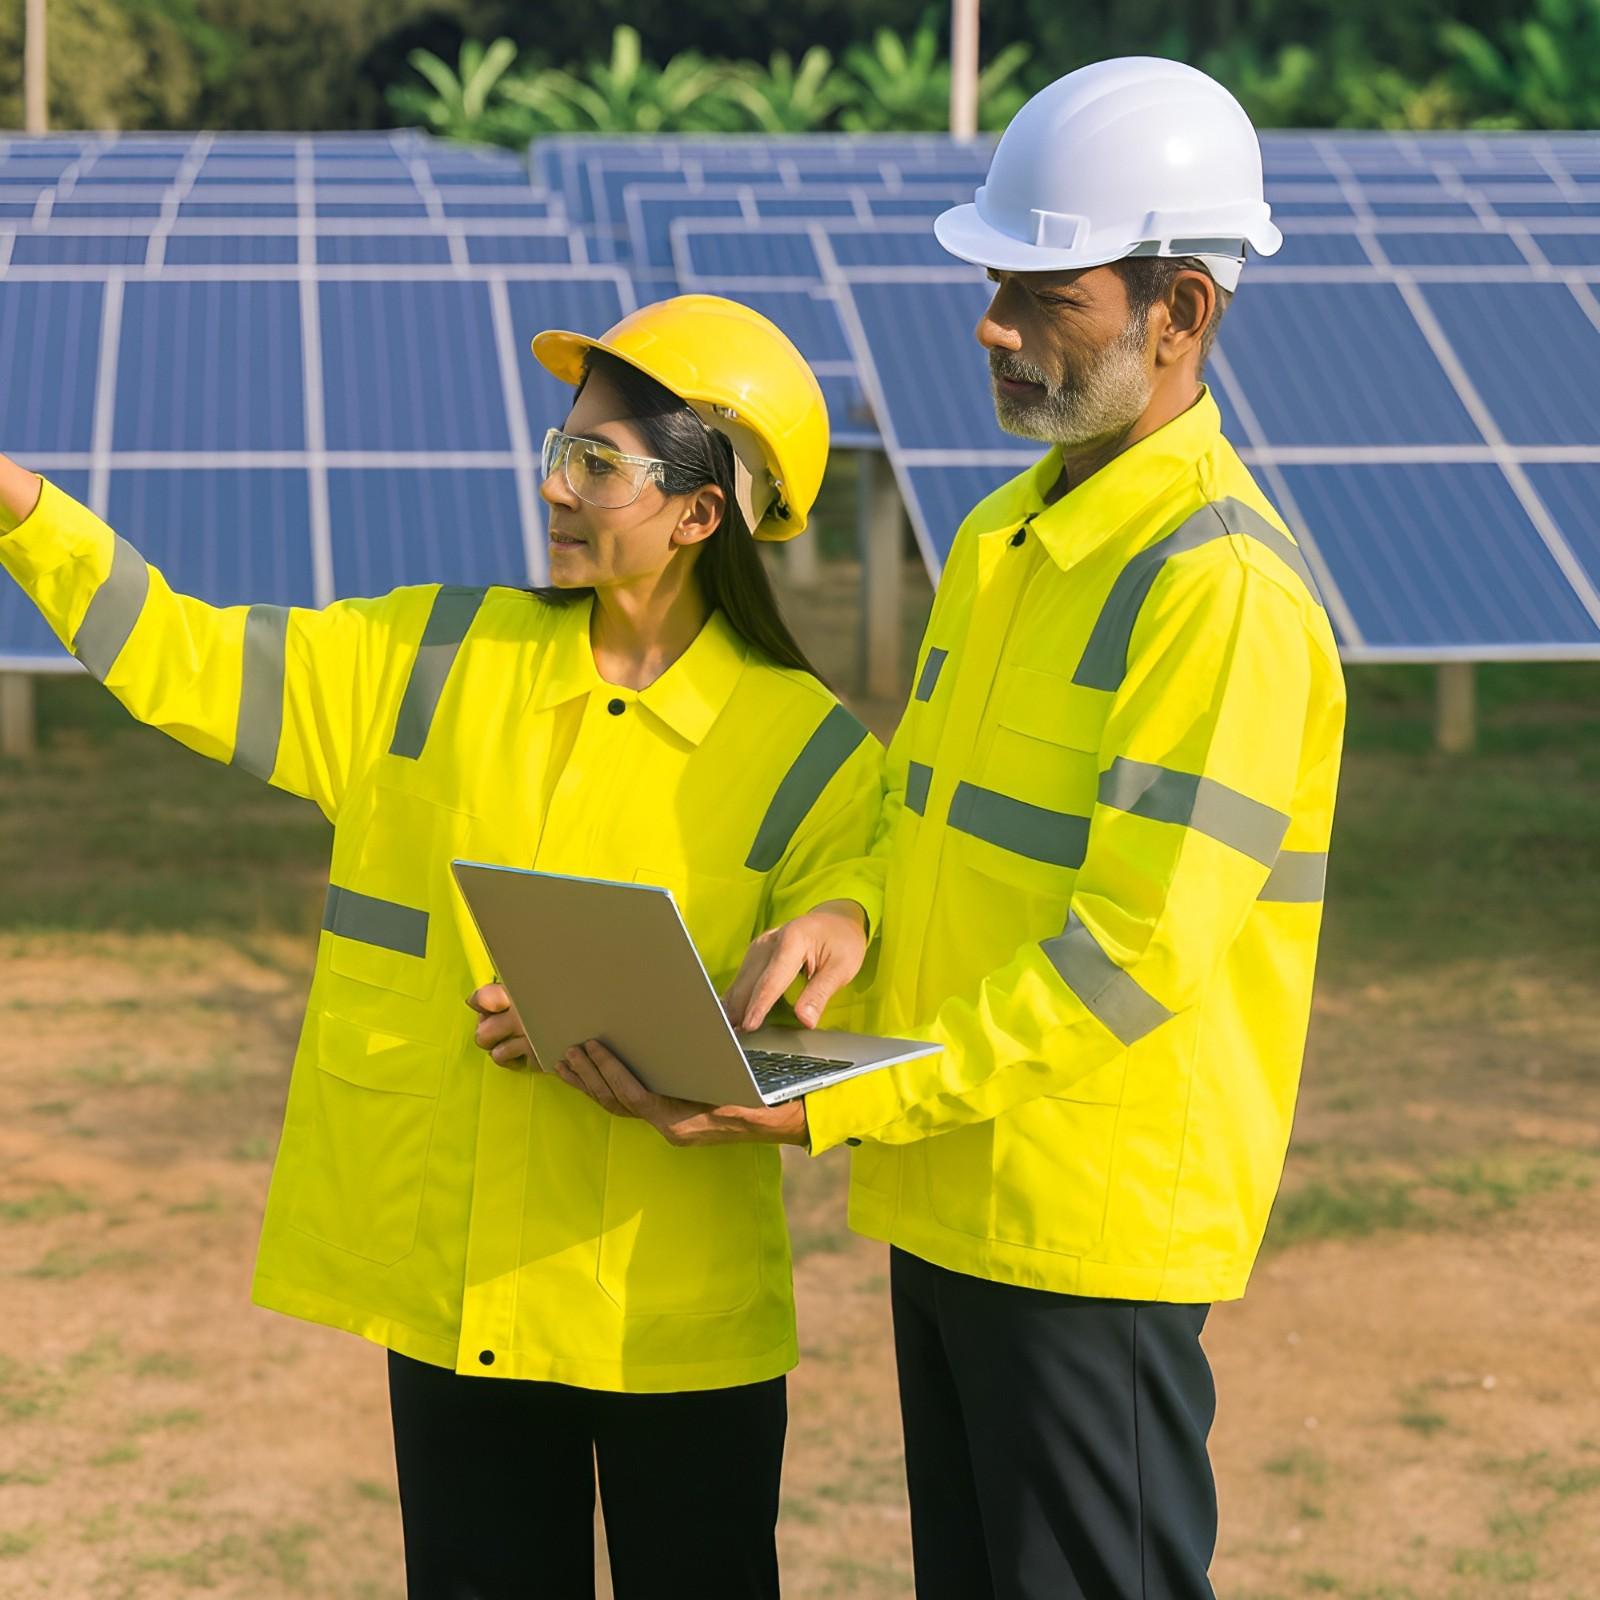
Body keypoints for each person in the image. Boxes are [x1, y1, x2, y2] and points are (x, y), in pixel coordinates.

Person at [553, 59, 1348, 1599]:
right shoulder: (1000, 536)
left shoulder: (1222, 597)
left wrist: (835, 1108)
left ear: (1178, 312)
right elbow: (924, 824)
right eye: (998, 282)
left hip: (1086, 1234)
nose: (992, 323)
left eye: (1046, 292)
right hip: (958, 1202)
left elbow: (1129, 959)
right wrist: (847, 913)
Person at [0, 293, 885, 1600]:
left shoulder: (815, 754)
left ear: (703, 513)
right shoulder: (428, 654)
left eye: (599, 464)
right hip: (464, 1299)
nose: (556, 488)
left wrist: (818, 934)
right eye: (558, 449)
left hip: (673, 1317)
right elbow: (187, 658)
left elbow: (853, 983)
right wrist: (26, 511)